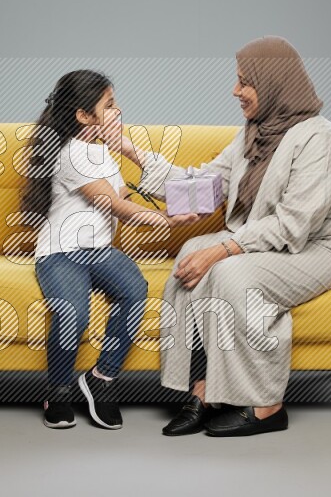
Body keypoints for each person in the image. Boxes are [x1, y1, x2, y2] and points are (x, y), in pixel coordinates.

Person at [112, 37, 331, 436]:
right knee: (190, 253)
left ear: (274, 83)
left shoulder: (322, 138)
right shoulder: (254, 133)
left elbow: (293, 224)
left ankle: (267, 404)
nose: (235, 91)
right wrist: (131, 151)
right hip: (269, 244)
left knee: (231, 274)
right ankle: (206, 385)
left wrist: (222, 250)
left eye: (245, 82)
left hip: (318, 250)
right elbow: (203, 184)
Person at [20, 69, 201, 430]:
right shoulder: (71, 154)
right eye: (109, 105)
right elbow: (113, 206)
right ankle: (56, 391)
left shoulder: (101, 153)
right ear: (84, 116)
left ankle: (101, 379)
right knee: (73, 313)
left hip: (99, 249)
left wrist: (162, 204)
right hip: (61, 253)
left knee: (134, 289)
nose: (117, 111)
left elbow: (122, 197)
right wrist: (165, 220)